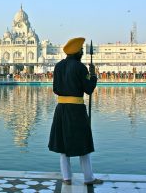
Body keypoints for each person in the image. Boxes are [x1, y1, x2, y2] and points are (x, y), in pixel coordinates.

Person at [48, 37, 103, 186]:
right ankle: (88, 178)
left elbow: (55, 89)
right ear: (77, 52)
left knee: (63, 145)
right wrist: (93, 76)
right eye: (81, 50)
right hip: (77, 110)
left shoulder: (58, 66)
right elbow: (89, 89)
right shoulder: (80, 67)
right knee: (83, 144)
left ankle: (66, 178)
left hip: (61, 109)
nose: (83, 53)